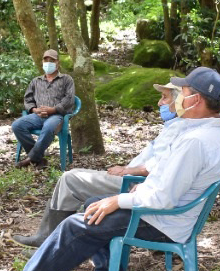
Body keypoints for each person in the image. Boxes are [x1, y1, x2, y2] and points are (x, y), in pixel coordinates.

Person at [0, 67, 220, 271]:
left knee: (77, 224)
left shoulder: (195, 141)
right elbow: (169, 182)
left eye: (183, 92)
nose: (178, 99)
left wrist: (118, 200)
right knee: (93, 203)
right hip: (170, 213)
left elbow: (163, 197)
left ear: (196, 100)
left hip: (162, 220)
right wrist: (128, 194)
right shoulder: (217, 134)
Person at [11, 80, 182, 247]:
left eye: (164, 98)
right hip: (135, 180)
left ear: (179, 101)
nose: (159, 103)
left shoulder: (181, 131)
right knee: (71, 176)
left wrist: (129, 170)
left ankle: (51, 244)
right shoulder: (172, 127)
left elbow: (160, 167)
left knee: (70, 179)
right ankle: (47, 237)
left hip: (138, 185)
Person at [12, 49, 76, 168]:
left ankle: (31, 158)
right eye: (46, 60)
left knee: (48, 128)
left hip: (56, 116)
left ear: (58, 63)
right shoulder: (36, 81)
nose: (48, 63)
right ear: (42, 62)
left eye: (52, 60)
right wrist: (34, 110)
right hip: (38, 115)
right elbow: (27, 99)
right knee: (17, 125)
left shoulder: (67, 79)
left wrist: (53, 109)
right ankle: (39, 159)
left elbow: (69, 99)